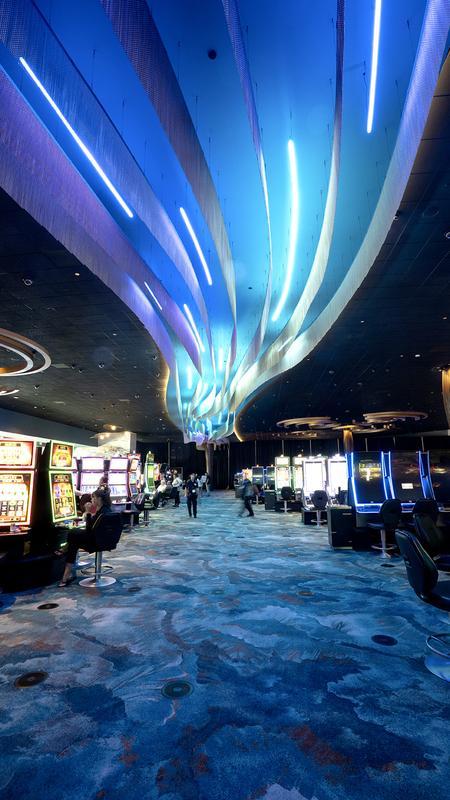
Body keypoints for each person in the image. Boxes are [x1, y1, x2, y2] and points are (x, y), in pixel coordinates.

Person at [58, 486, 114, 586]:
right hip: (105, 540)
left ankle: (65, 575)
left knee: (72, 534)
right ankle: (65, 577)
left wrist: (88, 512)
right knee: (73, 541)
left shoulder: (102, 513)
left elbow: (89, 529)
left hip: (97, 541)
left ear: (99, 499)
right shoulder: (106, 510)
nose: (91, 499)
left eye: (93, 498)